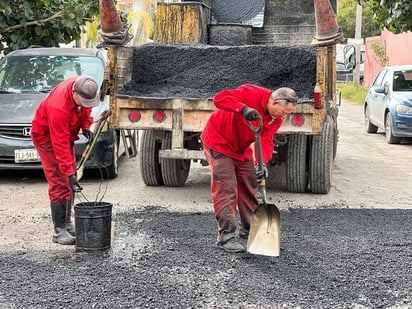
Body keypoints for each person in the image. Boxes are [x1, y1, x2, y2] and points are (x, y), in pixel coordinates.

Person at [201, 83, 297, 253]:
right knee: (227, 187)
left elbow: (266, 140)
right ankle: (226, 236)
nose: (284, 116)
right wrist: (242, 109)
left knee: (250, 180)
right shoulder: (249, 93)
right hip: (218, 142)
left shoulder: (276, 118)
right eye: (284, 112)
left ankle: (248, 226)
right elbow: (219, 99)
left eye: (287, 113)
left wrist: (263, 163)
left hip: (240, 149)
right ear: (275, 102)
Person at [31, 75, 101, 245]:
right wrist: (69, 173)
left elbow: (85, 108)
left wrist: (86, 125)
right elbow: (59, 144)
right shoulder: (59, 108)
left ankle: (67, 223)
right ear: (74, 93)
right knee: (60, 181)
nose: (86, 104)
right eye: (83, 100)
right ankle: (59, 230)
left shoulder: (83, 86)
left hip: (65, 135)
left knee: (68, 180)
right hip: (47, 138)